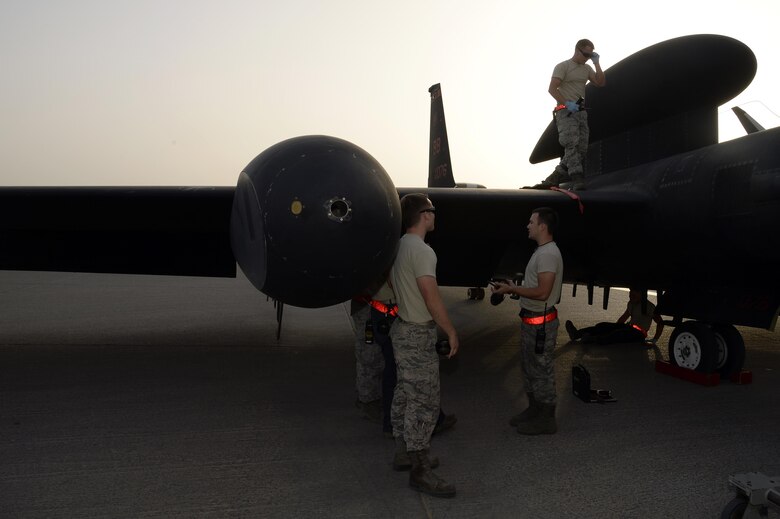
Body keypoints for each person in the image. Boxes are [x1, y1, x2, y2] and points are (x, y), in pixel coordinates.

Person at [389, 193, 459, 498]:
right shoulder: (422, 251)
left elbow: (391, 282)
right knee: (424, 402)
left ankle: (404, 453)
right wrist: (450, 331)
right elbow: (431, 297)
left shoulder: (398, 246)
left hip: (402, 327)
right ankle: (420, 471)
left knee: (404, 393)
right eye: (433, 210)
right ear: (425, 215)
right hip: (418, 334)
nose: (435, 215)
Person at [491, 207, 563, 435]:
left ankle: (547, 419)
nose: (528, 225)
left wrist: (513, 290)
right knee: (529, 368)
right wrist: (514, 286)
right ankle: (535, 409)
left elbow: (543, 292)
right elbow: (535, 287)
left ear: (543, 226)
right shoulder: (541, 251)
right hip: (531, 321)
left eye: (531, 222)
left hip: (541, 323)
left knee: (542, 370)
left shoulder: (548, 254)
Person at [366, 280, 457, 439]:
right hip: (393, 312)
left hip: (381, 311)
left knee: (394, 369)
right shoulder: (398, 263)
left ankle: (395, 423)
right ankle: (422, 425)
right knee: (413, 372)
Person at [529, 38, 606, 190]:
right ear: (577, 50)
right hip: (566, 112)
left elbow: (600, 83)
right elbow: (552, 89)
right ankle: (577, 178)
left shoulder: (586, 69)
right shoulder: (563, 66)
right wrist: (566, 104)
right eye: (585, 54)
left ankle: (553, 178)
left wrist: (596, 63)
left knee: (581, 148)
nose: (587, 58)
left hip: (580, 112)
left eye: (590, 55)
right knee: (571, 144)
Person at [565, 289, 664, 345]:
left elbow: (660, 323)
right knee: (602, 326)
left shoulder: (649, 306)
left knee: (617, 334)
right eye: (630, 293)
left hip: (638, 334)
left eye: (634, 294)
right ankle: (577, 334)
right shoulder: (631, 304)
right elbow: (623, 318)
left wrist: (654, 340)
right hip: (629, 328)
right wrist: (612, 327)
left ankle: (592, 340)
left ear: (641, 294)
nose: (630, 295)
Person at [349, 299, 382, 423]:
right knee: (369, 355)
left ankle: (369, 398)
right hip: (366, 304)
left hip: (376, 306)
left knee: (375, 355)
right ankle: (368, 401)